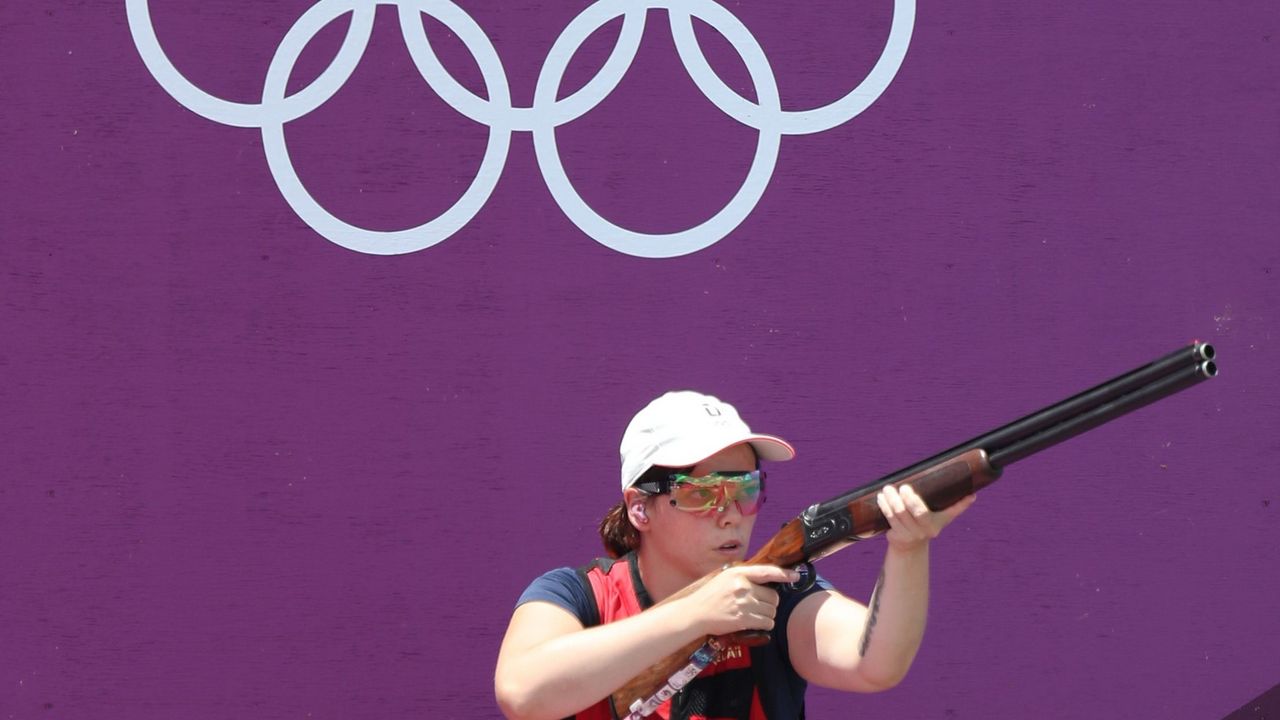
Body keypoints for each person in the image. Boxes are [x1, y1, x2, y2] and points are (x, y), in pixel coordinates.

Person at [494, 391, 976, 720]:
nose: (731, 514)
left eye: (745, 489)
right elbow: (522, 693)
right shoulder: (575, 594)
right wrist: (695, 615)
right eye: (705, 492)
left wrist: (909, 548)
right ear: (640, 508)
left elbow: (875, 664)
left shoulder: (777, 594)